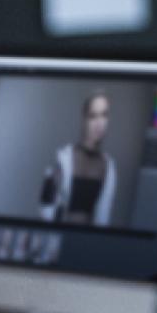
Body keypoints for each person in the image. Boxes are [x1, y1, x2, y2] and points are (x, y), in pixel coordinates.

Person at [39, 90, 117, 227]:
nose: (99, 123)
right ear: (84, 119)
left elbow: (103, 218)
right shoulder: (62, 158)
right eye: (93, 116)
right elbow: (45, 208)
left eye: (104, 115)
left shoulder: (109, 167)